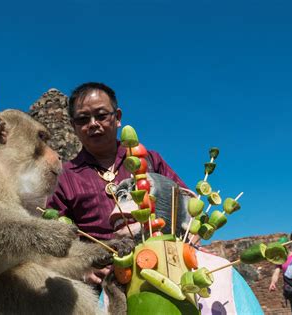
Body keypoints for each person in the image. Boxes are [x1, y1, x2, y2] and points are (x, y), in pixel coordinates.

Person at [46, 82, 187, 284]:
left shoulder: (149, 160)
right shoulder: (64, 178)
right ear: (74, 126)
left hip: (166, 271)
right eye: (83, 119)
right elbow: (53, 236)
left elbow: (185, 202)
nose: (93, 123)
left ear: (117, 118)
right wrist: (79, 267)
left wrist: (190, 236)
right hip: (105, 286)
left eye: (101, 115)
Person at [269, 236, 292, 315]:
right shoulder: (281, 260)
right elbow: (276, 272)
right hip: (290, 288)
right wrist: (273, 282)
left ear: (288, 246)